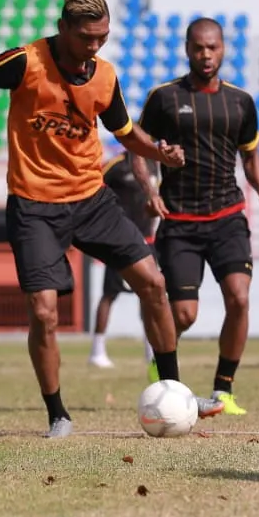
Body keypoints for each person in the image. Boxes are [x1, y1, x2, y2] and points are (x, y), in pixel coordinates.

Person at [0, 0, 223, 438]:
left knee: (153, 283)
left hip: (91, 200)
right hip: (34, 207)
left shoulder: (104, 76)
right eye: (86, 38)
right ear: (63, 29)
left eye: (103, 38)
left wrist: (159, 152)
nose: (94, 47)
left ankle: (173, 388)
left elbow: (125, 133)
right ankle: (58, 413)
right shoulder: (25, 61)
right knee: (44, 313)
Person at [130, 17, 259, 414]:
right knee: (184, 314)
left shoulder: (241, 102)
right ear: (187, 49)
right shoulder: (163, 97)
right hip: (180, 221)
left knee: (240, 298)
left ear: (224, 48)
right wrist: (151, 191)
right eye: (198, 48)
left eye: (213, 47)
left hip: (228, 216)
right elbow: (136, 149)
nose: (206, 55)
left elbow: (251, 156)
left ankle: (224, 390)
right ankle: (161, 363)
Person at [87, 150, 156, 369]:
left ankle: (152, 351)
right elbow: (93, 186)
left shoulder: (154, 164)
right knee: (110, 294)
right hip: (121, 240)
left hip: (148, 239)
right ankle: (97, 351)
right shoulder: (116, 165)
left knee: (150, 295)